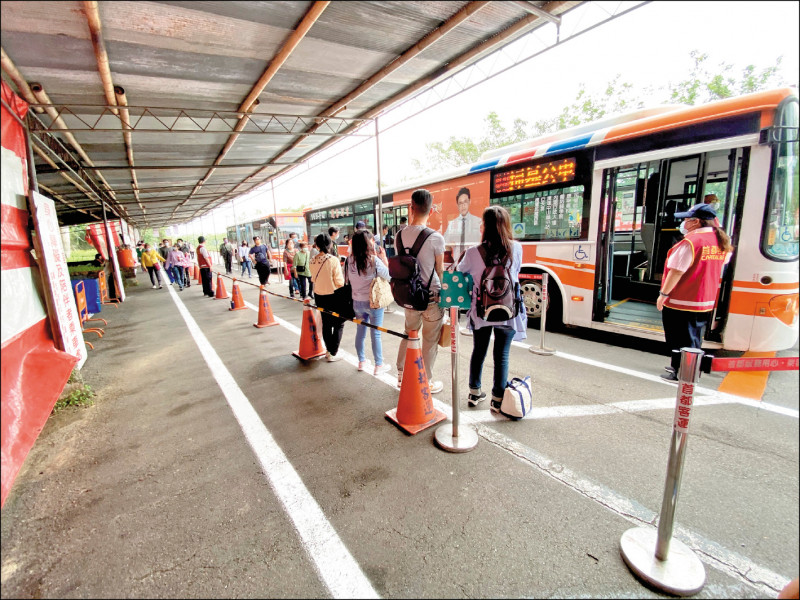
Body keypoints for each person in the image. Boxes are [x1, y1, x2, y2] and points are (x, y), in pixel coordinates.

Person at [456, 205, 527, 412]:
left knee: (479, 351)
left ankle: (475, 392)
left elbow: (460, 274)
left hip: (482, 310)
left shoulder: (472, 252)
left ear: (484, 226)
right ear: (506, 225)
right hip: (508, 310)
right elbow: (516, 272)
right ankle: (497, 398)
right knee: (502, 354)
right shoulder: (516, 248)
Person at [656, 203, 733, 381]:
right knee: (693, 336)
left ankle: (683, 372)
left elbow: (676, 271)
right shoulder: (720, 240)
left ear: (696, 222)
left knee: (678, 337)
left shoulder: (692, 242)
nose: (683, 222)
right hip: (704, 299)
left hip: (683, 299)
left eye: (686, 219)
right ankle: (686, 366)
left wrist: (664, 295)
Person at [394, 188, 446, 394]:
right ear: (431, 210)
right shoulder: (436, 238)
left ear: (411, 208)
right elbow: (440, 270)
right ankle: (425, 380)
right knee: (429, 340)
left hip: (408, 295)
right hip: (431, 297)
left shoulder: (399, 235)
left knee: (409, 334)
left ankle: (401, 375)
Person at [348, 230, 391, 375]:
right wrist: (384, 258)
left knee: (360, 332)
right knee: (376, 334)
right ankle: (379, 365)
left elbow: (346, 279)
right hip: (373, 302)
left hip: (357, 302)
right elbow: (389, 276)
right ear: (368, 243)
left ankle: (361, 361)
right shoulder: (373, 260)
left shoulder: (349, 260)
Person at [310, 232, 346, 362]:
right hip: (333, 296)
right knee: (339, 323)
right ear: (329, 244)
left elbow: (313, 278)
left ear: (317, 245)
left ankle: (328, 350)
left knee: (326, 323)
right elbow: (339, 281)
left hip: (319, 295)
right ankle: (333, 352)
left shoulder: (312, 260)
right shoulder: (333, 260)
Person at [444, 186, 483, 261]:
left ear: (470, 202)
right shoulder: (452, 224)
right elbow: (445, 245)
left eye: (465, 202)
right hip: (457, 264)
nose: (463, 205)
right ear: (457, 205)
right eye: (460, 203)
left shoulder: (478, 221)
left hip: (473, 264)